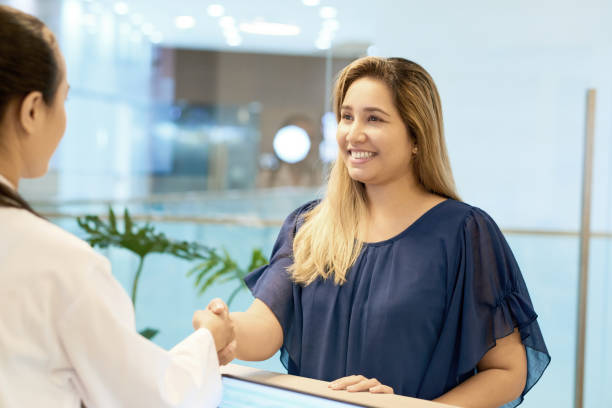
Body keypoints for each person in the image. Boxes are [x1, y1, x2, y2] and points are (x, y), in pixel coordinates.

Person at [212, 57, 550, 407]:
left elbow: (508, 371)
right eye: (347, 116)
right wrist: (226, 331)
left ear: (416, 136)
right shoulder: (308, 227)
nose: (353, 133)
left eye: (373, 118)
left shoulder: (463, 233)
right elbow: (266, 327)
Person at [0, 6, 235, 407]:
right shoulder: (57, 265)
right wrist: (209, 340)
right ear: (33, 110)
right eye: (65, 99)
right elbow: (157, 398)